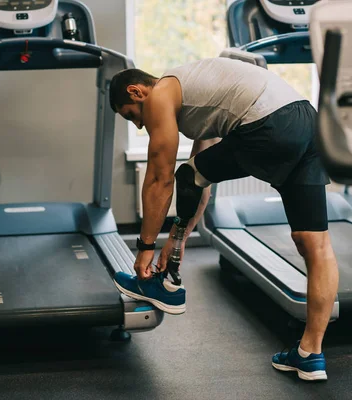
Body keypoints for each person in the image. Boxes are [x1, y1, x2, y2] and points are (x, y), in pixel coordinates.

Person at [110, 57, 339, 381]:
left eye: (132, 115)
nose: (138, 125)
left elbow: (160, 179)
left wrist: (146, 247)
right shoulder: (201, 101)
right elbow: (200, 179)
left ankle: (167, 285)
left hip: (270, 124)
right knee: (315, 244)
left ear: (136, 92)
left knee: (181, 175)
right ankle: (310, 354)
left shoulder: (161, 92)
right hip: (307, 124)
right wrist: (180, 239)